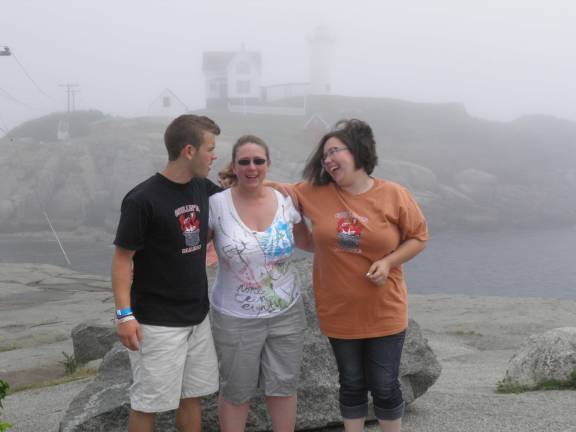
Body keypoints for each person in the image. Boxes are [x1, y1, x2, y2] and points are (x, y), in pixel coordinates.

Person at [290, 119, 428, 432]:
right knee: (350, 383)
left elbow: (419, 236)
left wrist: (389, 262)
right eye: (324, 155)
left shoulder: (394, 194)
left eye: (334, 151)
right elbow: (272, 192)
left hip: (384, 310)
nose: (327, 159)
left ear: (358, 152)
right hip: (338, 311)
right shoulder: (314, 193)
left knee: (385, 384)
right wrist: (238, 176)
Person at [111, 114, 222, 432]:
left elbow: (239, 195)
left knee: (192, 398)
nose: (214, 155)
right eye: (210, 148)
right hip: (156, 325)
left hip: (197, 318)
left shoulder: (202, 187)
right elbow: (121, 260)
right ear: (189, 151)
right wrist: (124, 316)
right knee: (148, 405)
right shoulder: (142, 199)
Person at [208, 135, 310, 432]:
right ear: (235, 166)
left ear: (268, 165)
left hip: (286, 313)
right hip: (235, 317)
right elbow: (191, 249)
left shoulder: (285, 200)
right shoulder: (216, 204)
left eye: (258, 161)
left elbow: (310, 242)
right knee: (236, 392)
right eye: (244, 162)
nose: (252, 167)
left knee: (284, 387)